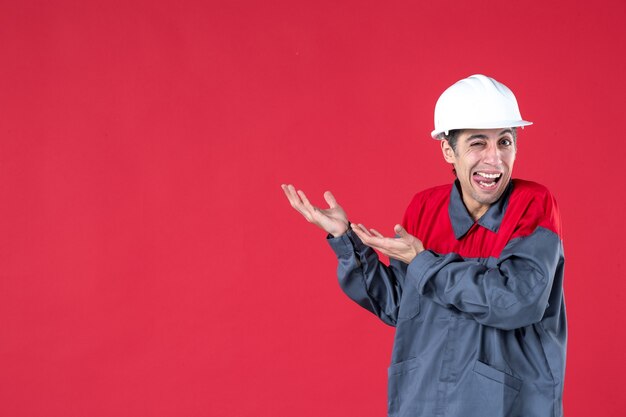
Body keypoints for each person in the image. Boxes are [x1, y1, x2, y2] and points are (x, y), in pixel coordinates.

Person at [281, 74, 566, 417]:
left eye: (504, 142)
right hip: (423, 402)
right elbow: (400, 306)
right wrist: (345, 240)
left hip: (503, 407)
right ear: (449, 150)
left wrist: (425, 263)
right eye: (478, 143)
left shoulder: (532, 204)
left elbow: (517, 301)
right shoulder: (424, 208)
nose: (495, 159)